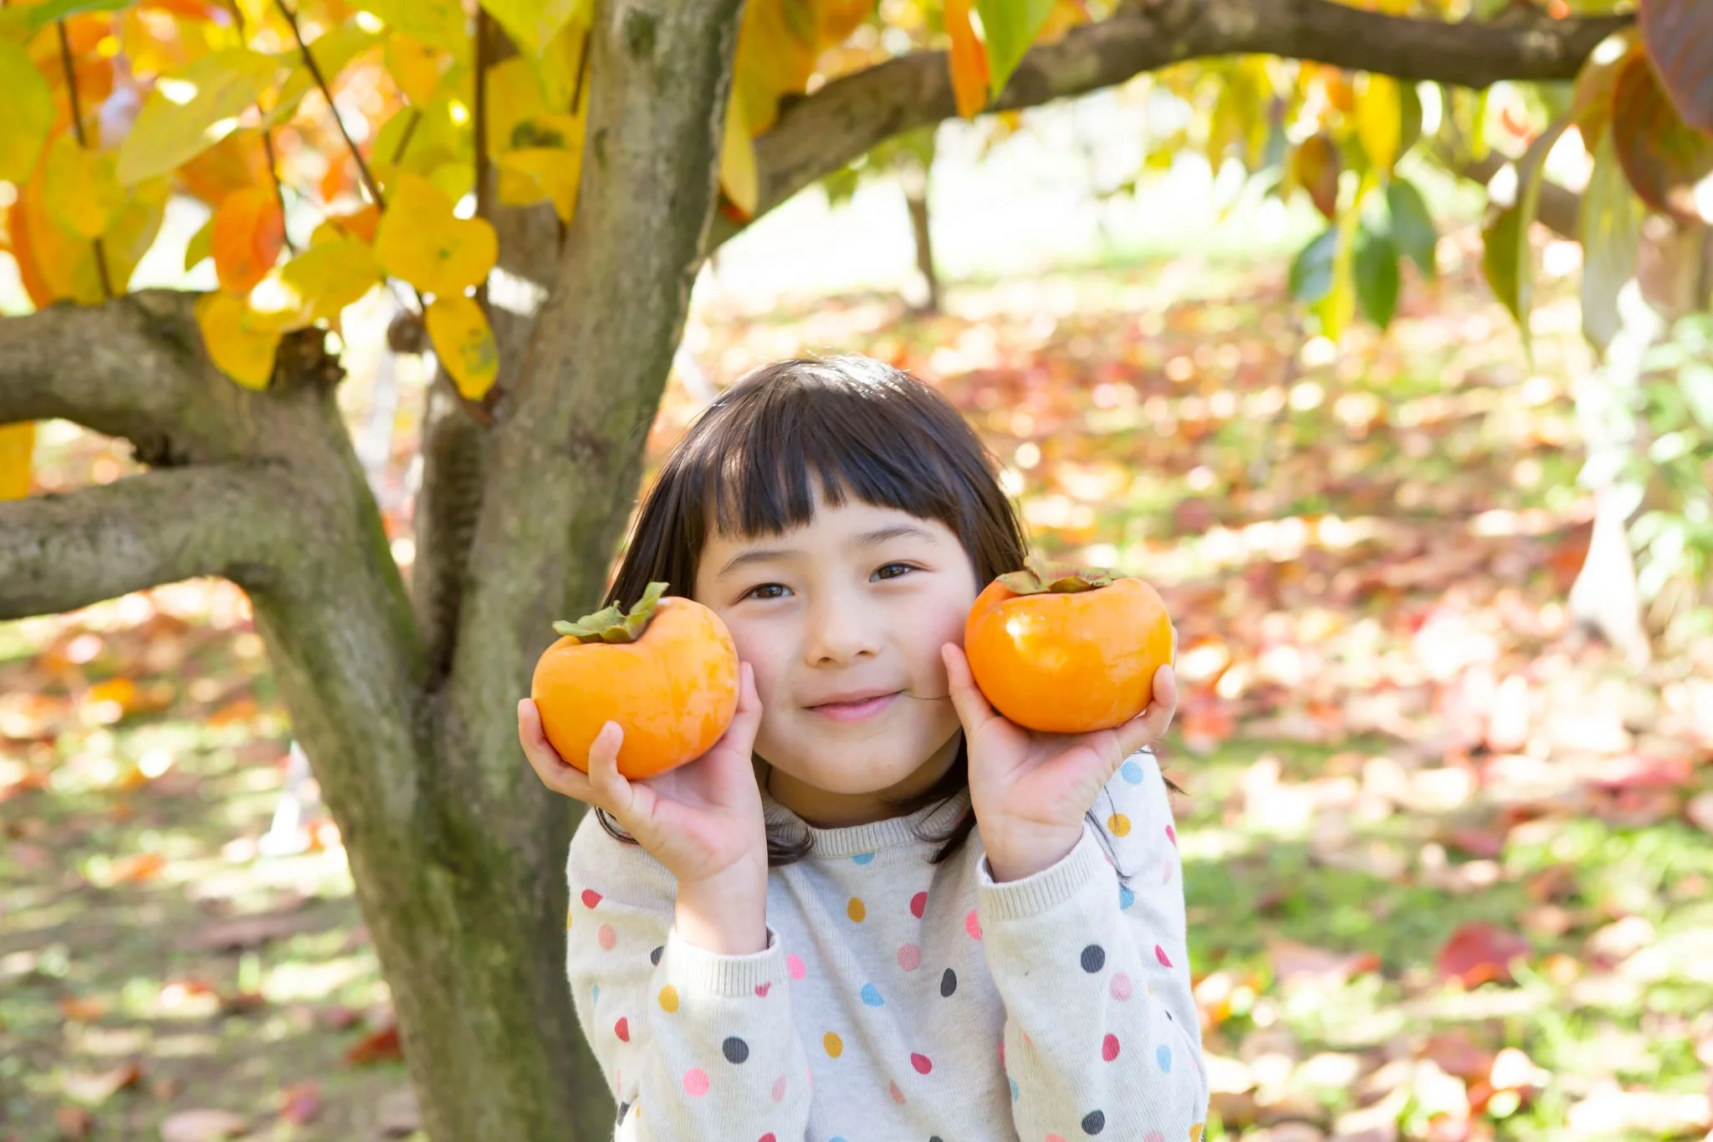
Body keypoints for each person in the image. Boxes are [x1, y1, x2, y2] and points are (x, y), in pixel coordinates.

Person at [518, 356, 1209, 1141]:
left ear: (993, 585)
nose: (838, 639)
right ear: (684, 625)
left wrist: (1041, 859)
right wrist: (718, 895)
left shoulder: (1094, 794)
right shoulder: (646, 855)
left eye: (892, 568)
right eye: (767, 589)